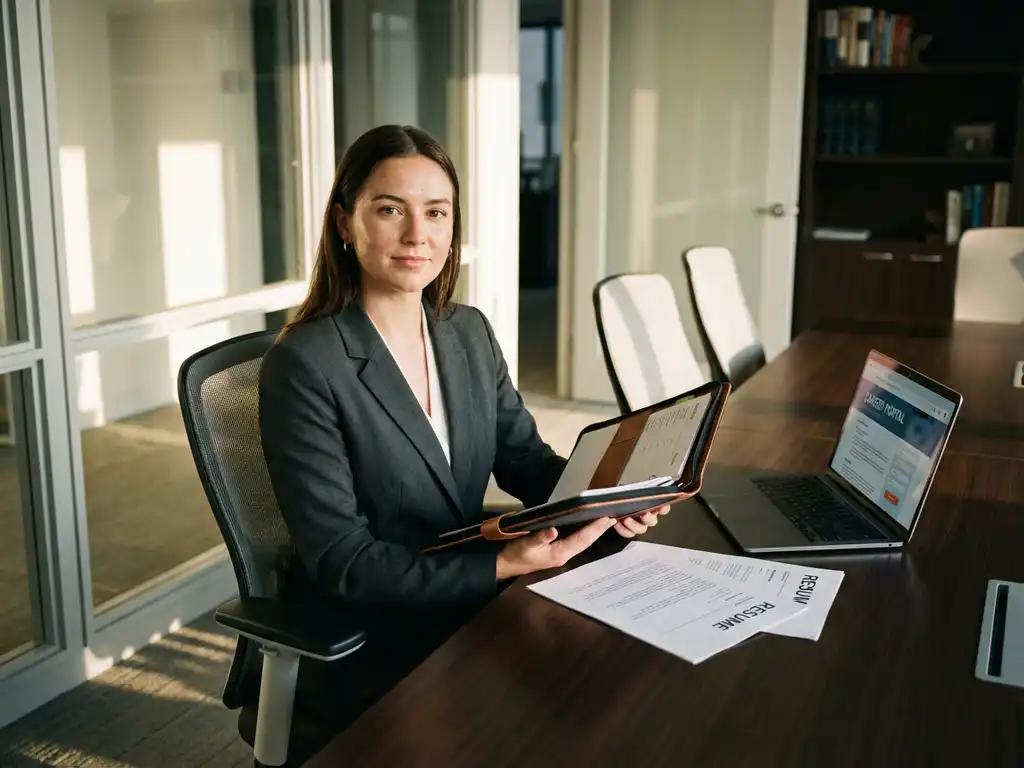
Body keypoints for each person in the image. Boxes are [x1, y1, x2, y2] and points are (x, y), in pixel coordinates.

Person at [258, 124, 671, 727]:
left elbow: (528, 462)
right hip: (375, 629)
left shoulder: (466, 332)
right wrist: (501, 566)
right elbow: (345, 562)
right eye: (389, 209)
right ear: (346, 224)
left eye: (436, 212)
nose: (416, 234)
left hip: (472, 600)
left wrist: (611, 499)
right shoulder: (305, 365)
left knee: (622, 691)